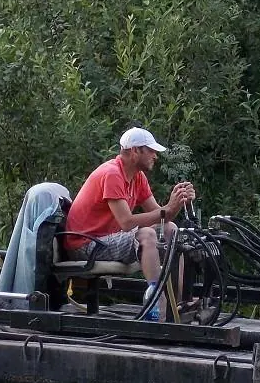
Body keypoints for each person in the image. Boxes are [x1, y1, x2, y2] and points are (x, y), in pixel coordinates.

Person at [64, 126, 195, 320]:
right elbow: (126, 223)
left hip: (106, 240)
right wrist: (167, 209)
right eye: (150, 151)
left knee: (171, 230)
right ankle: (155, 302)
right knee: (147, 235)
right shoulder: (112, 174)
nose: (155, 156)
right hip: (86, 244)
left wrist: (178, 203)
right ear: (135, 151)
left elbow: (160, 216)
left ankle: (178, 302)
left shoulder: (138, 177)